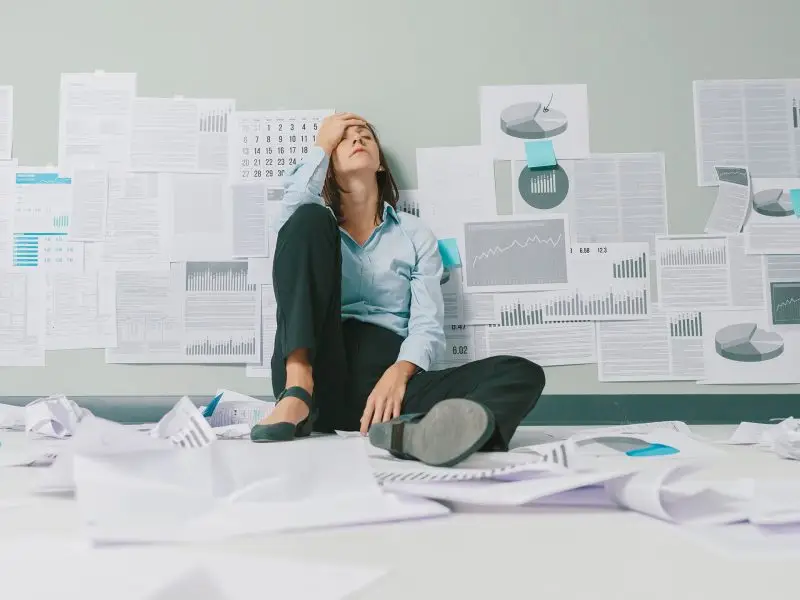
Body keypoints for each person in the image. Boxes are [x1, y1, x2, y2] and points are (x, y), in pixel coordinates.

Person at [249, 112, 546, 466]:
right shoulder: (316, 225)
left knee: (520, 372)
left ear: (379, 164)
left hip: (385, 387)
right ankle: (296, 391)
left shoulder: (415, 233)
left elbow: (427, 324)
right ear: (329, 163)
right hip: (318, 375)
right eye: (345, 138)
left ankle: (423, 433)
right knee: (308, 218)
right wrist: (321, 146)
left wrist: (400, 371)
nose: (357, 140)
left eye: (365, 136)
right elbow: (291, 223)